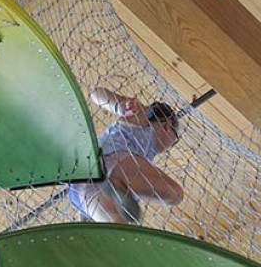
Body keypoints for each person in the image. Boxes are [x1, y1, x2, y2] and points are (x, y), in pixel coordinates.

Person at [69, 87, 184, 224]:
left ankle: (116, 190)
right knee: (175, 194)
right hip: (109, 161)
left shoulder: (144, 157)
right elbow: (96, 93)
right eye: (175, 140)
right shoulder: (142, 115)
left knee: (119, 230)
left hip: (83, 190)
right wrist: (118, 106)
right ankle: (117, 184)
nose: (170, 147)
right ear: (167, 126)